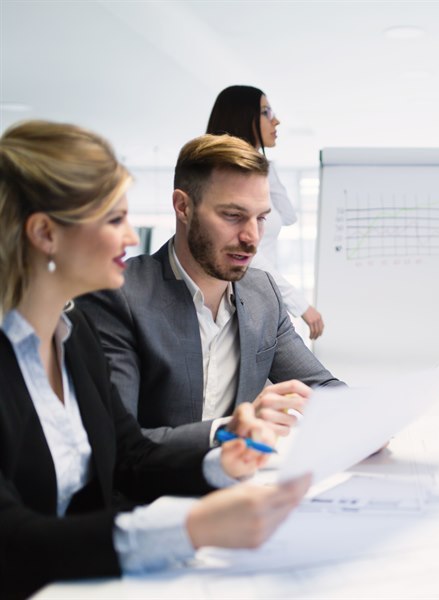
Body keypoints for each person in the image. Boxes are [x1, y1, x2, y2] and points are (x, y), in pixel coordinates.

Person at [0, 121, 311, 599]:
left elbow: (130, 457)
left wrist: (223, 459)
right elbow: (12, 540)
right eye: (113, 219)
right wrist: (191, 527)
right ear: (45, 233)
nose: (130, 237)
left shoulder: (72, 334)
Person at [77, 133, 345, 451]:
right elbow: (119, 442)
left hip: (238, 485)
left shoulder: (263, 294)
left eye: (260, 219)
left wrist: (365, 419)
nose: (251, 237)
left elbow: (319, 387)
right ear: (183, 207)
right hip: (153, 495)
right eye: (233, 216)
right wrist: (227, 431)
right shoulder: (119, 295)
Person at [207, 85, 324, 340]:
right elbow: (245, 254)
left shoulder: (255, 172)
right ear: (242, 117)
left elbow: (289, 216)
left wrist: (265, 168)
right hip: (239, 302)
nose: (276, 120)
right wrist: (300, 304)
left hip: (261, 298)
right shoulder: (229, 175)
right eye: (266, 112)